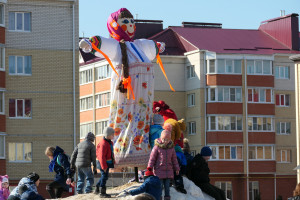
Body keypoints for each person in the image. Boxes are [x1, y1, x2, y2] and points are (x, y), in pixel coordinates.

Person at [79, 8, 170, 167]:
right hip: (125, 97)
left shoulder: (140, 45)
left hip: (144, 100)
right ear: (114, 25)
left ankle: (142, 156)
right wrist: (90, 43)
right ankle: (122, 153)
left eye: (131, 21)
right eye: (125, 22)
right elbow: (101, 43)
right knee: (125, 123)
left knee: (141, 123)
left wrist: (158, 46)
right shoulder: (115, 47)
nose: (130, 25)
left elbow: (151, 46)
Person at [148, 130, 180, 200]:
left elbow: (174, 159)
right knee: (160, 186)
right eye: (164, 139)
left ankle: (167, 198)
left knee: (167, 187)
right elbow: (152, 158)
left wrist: (177, 168)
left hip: (169, 171)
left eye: (167, 140)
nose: (165, 141)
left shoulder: (171, 148)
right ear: (161, 138)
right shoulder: (157, 147)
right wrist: (150, 167)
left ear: (170, 139)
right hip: (159, 170)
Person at [95, 127, 115, 198]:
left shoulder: (110, 142)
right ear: (108, 135)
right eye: (112, 134)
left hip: (107, 162)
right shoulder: (103, 143)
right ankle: (102, 192)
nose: (113, 136)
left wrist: (113, 160)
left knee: (105, 176)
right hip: (102, 163)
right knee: (104, 176)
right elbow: (101, 156)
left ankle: (97, 187)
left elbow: (111, 152)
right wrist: (104, 167)